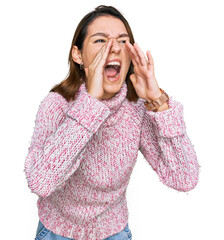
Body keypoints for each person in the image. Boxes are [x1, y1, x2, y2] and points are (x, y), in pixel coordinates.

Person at [24, 5, 199, 240]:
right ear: (77, 55)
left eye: (123, 41)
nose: (114, 48)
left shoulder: (136, 109)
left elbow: (185, 178)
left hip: (113, 232)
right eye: (100, 40)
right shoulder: (57, 104)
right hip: (57, 232)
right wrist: (90, 105)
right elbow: (40, 182)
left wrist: (159, 101)